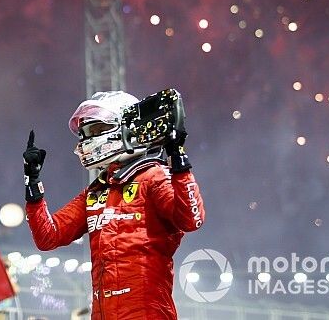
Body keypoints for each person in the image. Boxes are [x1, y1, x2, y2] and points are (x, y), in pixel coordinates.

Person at [24, 90, 206, 320]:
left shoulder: (154, 177)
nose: (87, 140)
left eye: (96, 130)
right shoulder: (97, 191)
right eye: (85, 133)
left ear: (125, 127)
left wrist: (178, 159)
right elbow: (47, 237)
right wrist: (32, 183)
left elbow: (191, 219)